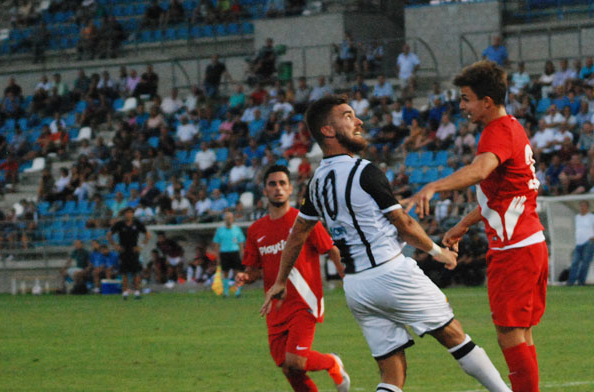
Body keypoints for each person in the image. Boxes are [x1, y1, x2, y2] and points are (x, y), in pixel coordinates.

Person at [263, 95, 511, 392]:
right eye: (348, 116)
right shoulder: (364, 171)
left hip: (356, 287)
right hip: (390, 272)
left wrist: (280, 280)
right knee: (455, 337)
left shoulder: (315, 182)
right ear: (328, 131)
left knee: (391, 372)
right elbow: (403, 224)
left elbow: (297, 234)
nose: (359, 121)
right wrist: (438, 252)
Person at [405, 60, 547, 392]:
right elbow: (501, 193)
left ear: (487, 101)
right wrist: (463, 224)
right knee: (519, 332)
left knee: (510, 334)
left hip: (515, 250)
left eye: (467, 98)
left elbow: (481, 170)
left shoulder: (497, 131)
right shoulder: (512, 127)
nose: (462, 106)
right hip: (528, 245)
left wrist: (433, 186)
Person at [236, 166, 350, 392]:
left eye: (282, 183)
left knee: (296, 361)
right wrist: (246, 277)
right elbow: (256, 271)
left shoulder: (304, 220)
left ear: (290, 189)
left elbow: (331, 250)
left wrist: (348, 280)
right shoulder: (256, 230)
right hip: (275, 307)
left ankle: (332, 362)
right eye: (272, 184)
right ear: (265, 191)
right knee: (288, 368)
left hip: (304, 301)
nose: (277, 188)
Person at [108, 207, 150, 300]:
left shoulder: (137, 223)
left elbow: (147, 234)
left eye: (131, 213)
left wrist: (141, 246)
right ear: (124, 214)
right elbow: (109, 234)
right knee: (124, 272)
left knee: (136, 272)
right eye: (127, 213)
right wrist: (115, 245)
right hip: (123, 250)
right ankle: (125, 292)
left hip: (133, 250)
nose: (129, 214)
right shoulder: (120, 224)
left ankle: (137, 292)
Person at [568, 200, 594, 286]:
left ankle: (581, 281)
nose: (582, 208)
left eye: (584, 206)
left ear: (587, 207)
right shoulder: (577, 217)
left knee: (585, 263)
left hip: (588, 242)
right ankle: (571, 281)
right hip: (578, 242)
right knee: (575, 262)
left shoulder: (592, 217)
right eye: (581, 206)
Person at [213, 210, 246, 297]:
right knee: (225, 273)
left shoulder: (237, 229)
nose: (229, 220)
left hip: (234, 252)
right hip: (224, 253)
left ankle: (237, 292)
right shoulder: (220, 230)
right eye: (227, 218)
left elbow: (241, 243)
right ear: (224, 220)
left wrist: (242, 254)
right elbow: (216, 244)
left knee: (237, 272)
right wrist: (217, 257)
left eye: (230, 218)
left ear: (233, 219)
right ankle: (226, 292)